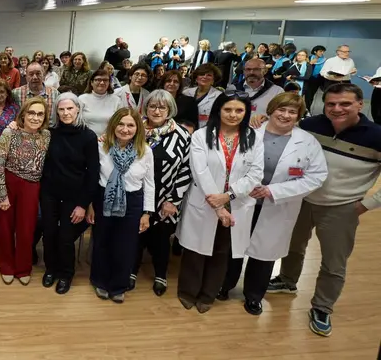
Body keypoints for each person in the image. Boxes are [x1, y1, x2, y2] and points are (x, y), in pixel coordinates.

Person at [268, 83, 381, 337]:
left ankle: (322, 306)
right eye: (331, 104)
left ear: (360, 104)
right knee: (293, 246)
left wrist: (366, 205)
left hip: (342, 207)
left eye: (345, 104)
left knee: (333, 262)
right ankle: (287, 280)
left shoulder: (376, 136)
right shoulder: (311, 125)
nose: (337, 109)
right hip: (302, 199)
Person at [217, 93, 326, 315]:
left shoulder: (307, 142)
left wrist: (272, 190)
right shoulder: (250, 134)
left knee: (264, 254)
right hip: (243, 200)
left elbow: (316, 177)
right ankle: (224, 286)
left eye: (292, 112)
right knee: (233, 248)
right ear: (271, 110)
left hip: (278, 204)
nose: (286, 115)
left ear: (299, 115)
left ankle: (254, 296)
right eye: (281, 109)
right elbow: (230, 165)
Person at [177, 92, 264, 314]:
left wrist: (228, 197)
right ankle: (188, 292)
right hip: (205, 201)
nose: (233, 115)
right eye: (228, 110)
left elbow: (255, 174)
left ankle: (208, 295)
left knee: (221, 251)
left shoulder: (253, 138)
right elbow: (200, 171)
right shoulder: (200, 135)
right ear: (218, 110)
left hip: (235, 203)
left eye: (239, 110)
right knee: (195, 250)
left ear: (246, 113)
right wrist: (217, 204)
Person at [88, 108, 154, 303]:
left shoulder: (145, 151)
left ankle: (118, 285)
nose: (125, 129)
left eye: (130, 125)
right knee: (102, 241)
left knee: (125, 245)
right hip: (103, 199)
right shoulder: (101, 147)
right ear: (113, 125)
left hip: (132, 202)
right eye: (121, 124)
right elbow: (92, 177)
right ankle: (100, 280)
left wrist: (147, 213)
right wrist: (90, 204)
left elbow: (150, 184)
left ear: (137, 128)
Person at [131, 90, 192, 296]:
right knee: (135, 235)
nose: (156, 111)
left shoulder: (182, 135)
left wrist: (173, 200)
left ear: (170, 110)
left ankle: (160, 274)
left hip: (166, 198)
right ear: (146, 108)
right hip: (137, 195)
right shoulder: (135, 128)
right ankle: (131, 271)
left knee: (161, 239)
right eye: (152, 106)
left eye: (162, 107)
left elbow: (186, 169)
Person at [38, 92, 98, 294]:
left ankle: (66, 274)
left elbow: (93, 174)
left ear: (78, 109)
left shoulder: (88, 137)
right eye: (61, 109)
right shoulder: (50, 133)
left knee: (65, 237)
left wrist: (83, 204)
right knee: (49, 233)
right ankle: (51, 269)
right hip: (49, 193)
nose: (65, 113)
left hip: (75, 197)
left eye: (69, 108)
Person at [0, 97, 51, 286]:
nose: (35, 117)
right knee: (5, 228)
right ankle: (6, 266)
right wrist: (1, 194)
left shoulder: (47, 136)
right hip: (8, 183)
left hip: (32, 187)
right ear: (23, 114)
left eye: (40, 113)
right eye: (31, 113)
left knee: (26, 229)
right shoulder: (10, 132)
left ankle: (23, 267)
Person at [228, 58, 285, 126]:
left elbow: (282, 114)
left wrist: (268, 119)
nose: (251, 72)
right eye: (248, 69)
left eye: (256, 69)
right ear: (243, 71)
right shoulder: (232, 89)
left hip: (263, 132)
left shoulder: (277, 91)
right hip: (236, 131)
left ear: (265, 71)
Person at [79, 68, 123, 137]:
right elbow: (77, 122)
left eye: (105, 80)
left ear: (109, 83)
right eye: (98, 80)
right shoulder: (82, 99)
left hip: (108, 139)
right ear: (91, 82)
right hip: (85, 139)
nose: (102, 82)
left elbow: (120, 122)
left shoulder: (116, 100)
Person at [183, 64, 223, 128]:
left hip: (206, 132)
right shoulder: (186, 93)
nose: (205, 77)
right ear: (196, 78)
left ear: (213, 80)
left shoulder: (219, 96)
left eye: (209, 75)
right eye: (202, 74)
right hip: (185, 130)